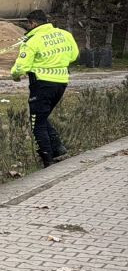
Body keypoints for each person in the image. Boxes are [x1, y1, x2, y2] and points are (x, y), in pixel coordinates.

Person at [10, 9, 79, 167]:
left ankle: (47, 160)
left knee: (37, 123)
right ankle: (59, 149)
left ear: (33, 23)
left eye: (28, 25)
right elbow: (74, 55)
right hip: (61, 83)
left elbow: (21, 66)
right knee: (41, 117)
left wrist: (15, 75)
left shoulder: (32, 40)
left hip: (41, 85)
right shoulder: (65, 34)